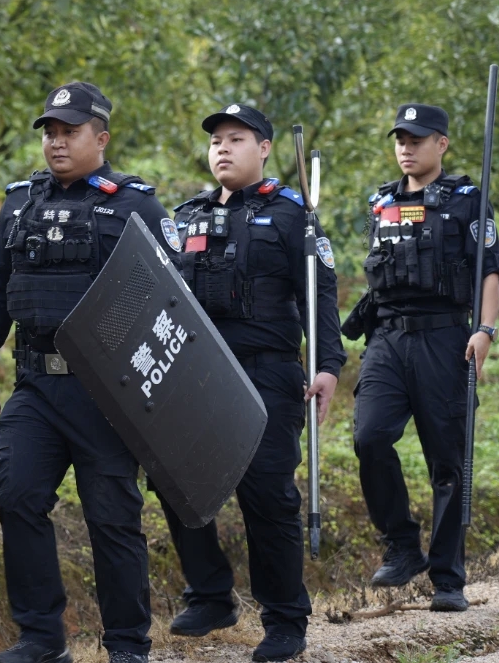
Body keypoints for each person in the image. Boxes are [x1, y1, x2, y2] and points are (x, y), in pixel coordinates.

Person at [0, 82, 179, 663]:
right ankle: (41, 638)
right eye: (50, 134)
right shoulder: (19, 203)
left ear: (101, 138)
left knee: (112, 518)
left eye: (70, 132)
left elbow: (172, 302)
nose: (57, 143)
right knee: (16, 493)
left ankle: (128, 645)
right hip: (35, 384)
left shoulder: (135, 204)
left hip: (106, 395)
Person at [154, 105, 345, 662]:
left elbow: (321, 294)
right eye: (215, 140)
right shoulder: (186, 216)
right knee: (177, 483)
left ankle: (286, 619)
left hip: (266, 371)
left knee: (266, 495)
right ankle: (211, 594)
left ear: (263, 148)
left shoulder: (291, 215)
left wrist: (327, 365)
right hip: (194, 374)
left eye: (235, 139)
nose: (222, 149)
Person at [342, 103, 499, 613]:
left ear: (442, 144)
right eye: (400, 140)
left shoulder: (467, 201)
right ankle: (403, 545)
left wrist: (485, 330)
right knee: (369, 437)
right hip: (387, 339)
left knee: (448, 462)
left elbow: (489, 272)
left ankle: (449, 578)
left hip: (444, 339)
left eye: (417, 139)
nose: (406, 148)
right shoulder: (380, 203)